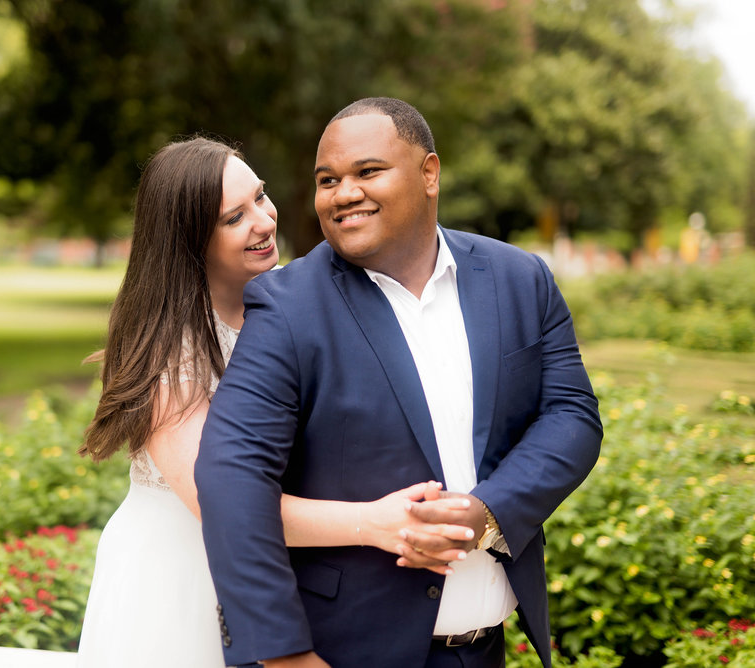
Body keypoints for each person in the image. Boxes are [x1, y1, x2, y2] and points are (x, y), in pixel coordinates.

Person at [195, 98, 604, 668]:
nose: (343, 193)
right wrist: (285, 656)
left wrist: (486, 513)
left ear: (429, 173)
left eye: (367, 172)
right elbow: (231, 474)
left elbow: (571, 416)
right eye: (327, 180)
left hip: (484, 652)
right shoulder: (288, 307)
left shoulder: (520, 278)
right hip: (341, 654)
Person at [75, 136, 459, 667]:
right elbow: (225, 505)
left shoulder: (289, 303)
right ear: (186, 240)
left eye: (261, 196)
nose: (264, 221)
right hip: (183, 578)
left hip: (290, 579)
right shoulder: (171, 350)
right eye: (234, 218)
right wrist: (373, 522)